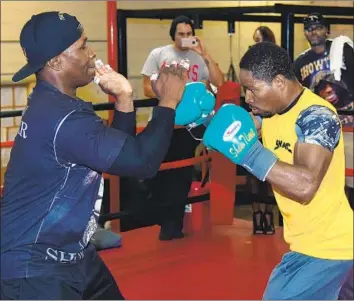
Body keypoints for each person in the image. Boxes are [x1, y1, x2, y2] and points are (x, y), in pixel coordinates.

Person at [0, 11, 190, 300]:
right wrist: (168, 101)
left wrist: (125, 100)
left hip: (74, 256)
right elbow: (143, 163)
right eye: (82, 46)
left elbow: (119, 154)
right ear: (55, 61)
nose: (92, 54)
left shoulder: (56, 105)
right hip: (33, 268)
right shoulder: (61, 118)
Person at [201, 42, 353, 299]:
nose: (248, 98)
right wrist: (203, 122)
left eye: (253, 89)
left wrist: (248, 151)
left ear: (280, 82)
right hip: (303, 246)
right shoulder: (269, 112)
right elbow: (232, 134)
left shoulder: (316, 116)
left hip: (331, 249)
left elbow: (305, 186)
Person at [141, 15, 224, 241]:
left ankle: (172, 226)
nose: (186, 38)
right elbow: (147, 88)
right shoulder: (159, 54)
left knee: (181, 175)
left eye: (189, 34)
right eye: (181, 34)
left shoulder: (199, 58)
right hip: (164, 121)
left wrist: (205, 55)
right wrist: (170, 94)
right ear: (173, 35)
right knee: (156, 172)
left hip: (188, 127)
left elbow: (220, 83)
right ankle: (159, 218)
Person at [293, 12, 354, 201]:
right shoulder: (300, 62)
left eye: (318, 27)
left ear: (327, 30)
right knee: (325, 179)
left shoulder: (343, 49)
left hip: (348, 123)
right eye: (309, 29)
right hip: (321, 128)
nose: (313, 32)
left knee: (350, 180)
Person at [249, 26, 277, 235]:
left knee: (270, 168)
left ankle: (268, 215)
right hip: (254, 114)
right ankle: (257, 216)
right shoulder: (250, 64)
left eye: (259, 40)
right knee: (252, 168)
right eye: (254, 40)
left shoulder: (276, 64)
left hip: (272, 117)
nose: (256, 44)